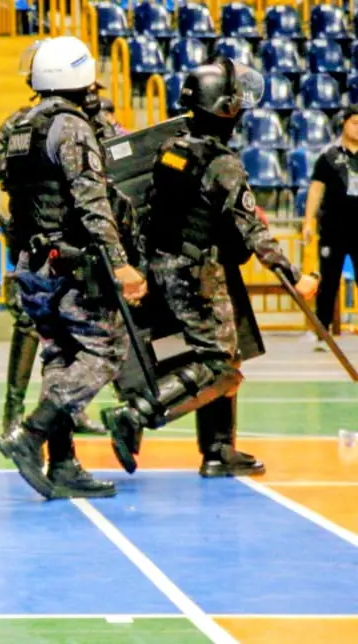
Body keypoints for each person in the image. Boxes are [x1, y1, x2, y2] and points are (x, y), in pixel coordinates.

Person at [101, 58, 319, 479]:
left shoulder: (171, 148)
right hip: (196, 274)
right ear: (224, 110)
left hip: (163, 266)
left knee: (221, 353)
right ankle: (135, 413)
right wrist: (295, 277)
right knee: (219, 365)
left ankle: (219, 450)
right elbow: (254, 230)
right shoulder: (224, 164)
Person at [0, 37, 148, 501]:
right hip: (71, 264)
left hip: (31, 262)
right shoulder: (73, 126)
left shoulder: (21, 124)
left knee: (60, 357)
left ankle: (63, 464)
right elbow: (90, 200)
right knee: (106, 352)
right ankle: (31, 434)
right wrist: (121, 264)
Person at [303, 105, 358, 339]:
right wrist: (308, 221)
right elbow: (316, 189)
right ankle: (321, 331)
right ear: (344, 124)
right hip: (334, 228)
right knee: (329, 281)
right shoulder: (329, 156)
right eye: (354, 122)